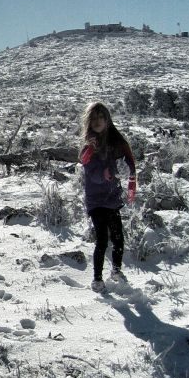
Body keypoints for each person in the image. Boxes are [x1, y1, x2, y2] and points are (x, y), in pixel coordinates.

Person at [79, 101, 137, 292]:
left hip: (112, 198)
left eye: (100, 117)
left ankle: (116, 271)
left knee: (119, 237)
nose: (97, 121)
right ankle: (97, 278)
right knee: (102, 238)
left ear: (107, 119)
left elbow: (126, 161)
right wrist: (103, 175)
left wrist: (124, 169)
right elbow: (90, 170)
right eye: (93, 118)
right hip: (96, 200)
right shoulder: (90, 146)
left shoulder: (116, 141)